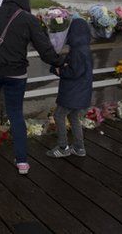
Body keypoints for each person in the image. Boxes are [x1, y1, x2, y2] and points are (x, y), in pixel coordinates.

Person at [0, 0, 64, 175]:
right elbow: (44, 48)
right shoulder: (29, 19)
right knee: (15, 113)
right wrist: (59, 62)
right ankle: (22, 161)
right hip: (16, 74)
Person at [47, 18, 93, 158]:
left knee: (59, 115)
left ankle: (63, 147)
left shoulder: (77, 51)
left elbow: (73, 72)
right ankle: (79, 147)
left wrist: (60, 70)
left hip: (72, 92)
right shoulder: (84, 48)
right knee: (73, 117)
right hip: (81, 91)